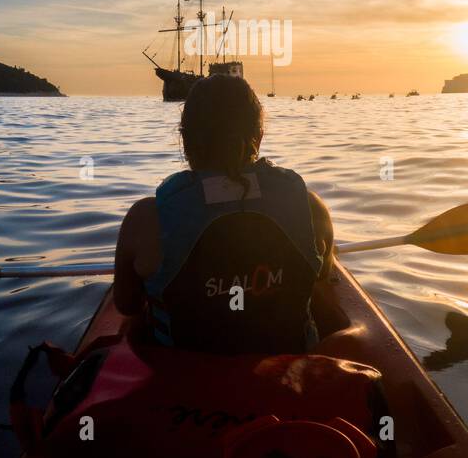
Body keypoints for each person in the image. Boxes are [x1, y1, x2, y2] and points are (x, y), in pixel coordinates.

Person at [113, 74, 334, 354]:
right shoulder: (312, 207)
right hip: (284, 380)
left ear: (185, 139)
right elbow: (322, 275)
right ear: (259, 136)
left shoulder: (145, 220)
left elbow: (126, 305)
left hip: (185, 383)